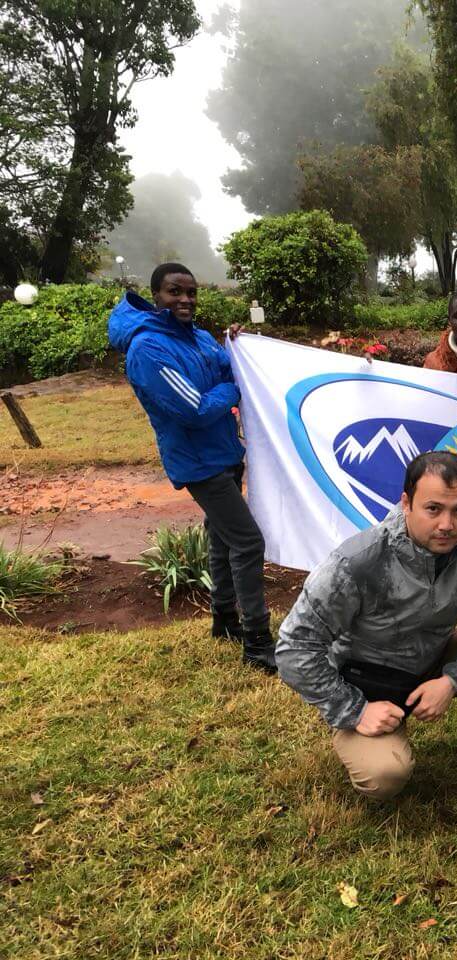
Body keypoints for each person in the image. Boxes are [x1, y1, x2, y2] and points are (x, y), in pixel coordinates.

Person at [275, 451, 457, 799]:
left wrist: (452, 680)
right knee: (384, 775)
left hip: (433, 655)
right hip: (368, 680)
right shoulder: (359, 560)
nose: (447, 524)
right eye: (433, 509)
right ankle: (364, 735)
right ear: (407, 503)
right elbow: (294, 647)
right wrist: (354, 710)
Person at [107, 263, 276, 672]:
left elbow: (226, 368)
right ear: (156, 296)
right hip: (199, 463)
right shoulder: (148, 349)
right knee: (248, 541)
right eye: (174, 292)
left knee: (222, 539)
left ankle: (224, 619)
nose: (184, 300)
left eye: (191, 292)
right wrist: (233, 389)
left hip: (224, 453)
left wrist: (237, 346)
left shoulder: (197, 337)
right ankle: (257, 640)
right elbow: (193, 409)